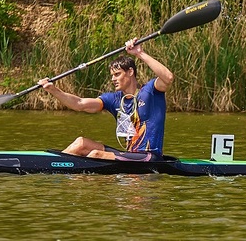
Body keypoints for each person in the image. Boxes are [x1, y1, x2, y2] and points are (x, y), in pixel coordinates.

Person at [38, 39, 174, 160]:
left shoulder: (150, 92)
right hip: (129, 156)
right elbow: (79, 104)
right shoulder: (114, 99)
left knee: (96, 155)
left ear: (130, 72)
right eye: (112, 75)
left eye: (117, 74)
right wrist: (53, 90)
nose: (113, 79)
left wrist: (139, 53)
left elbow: (168, 77)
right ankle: (53, 166)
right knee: (81, 143)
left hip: (149, 157)